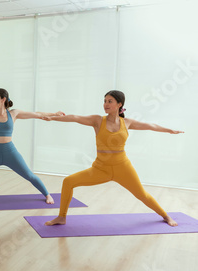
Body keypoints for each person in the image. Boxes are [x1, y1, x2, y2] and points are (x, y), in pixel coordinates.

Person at [42, 90, 184, 227]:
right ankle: (62, 217)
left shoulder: (127, 123)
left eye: (110, 101)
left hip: (123, 168)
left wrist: (169, 130)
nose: (105, 104)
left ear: (119, 104)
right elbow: (75, 118)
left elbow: (150, 126)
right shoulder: (97, 120)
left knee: (142, 195)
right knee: (68, 181)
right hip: (100, 169)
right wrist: (53, 118)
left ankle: (166, 216)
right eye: (104, 101)